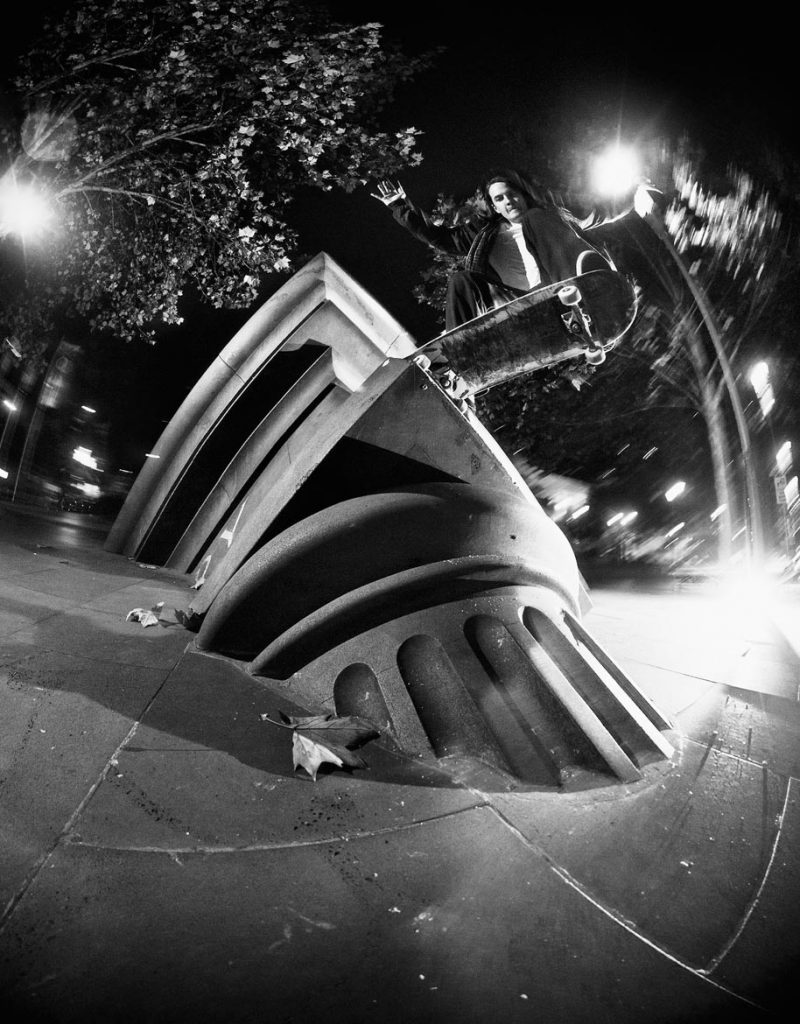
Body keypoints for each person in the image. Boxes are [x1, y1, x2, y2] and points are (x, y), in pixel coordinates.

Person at [371, 169, 616, 331]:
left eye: (512, 194)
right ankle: (463, 348)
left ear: (523, 194)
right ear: (495, 207)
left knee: (534, 218)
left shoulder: (550, 215)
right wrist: (400, 207)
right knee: (461, 280)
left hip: (565, 289)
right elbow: (440, 238)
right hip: (517, 302)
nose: (508, 201)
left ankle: (576, 301)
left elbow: (603, 210)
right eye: (499, 199)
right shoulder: (483, 231)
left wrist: (637, 190)